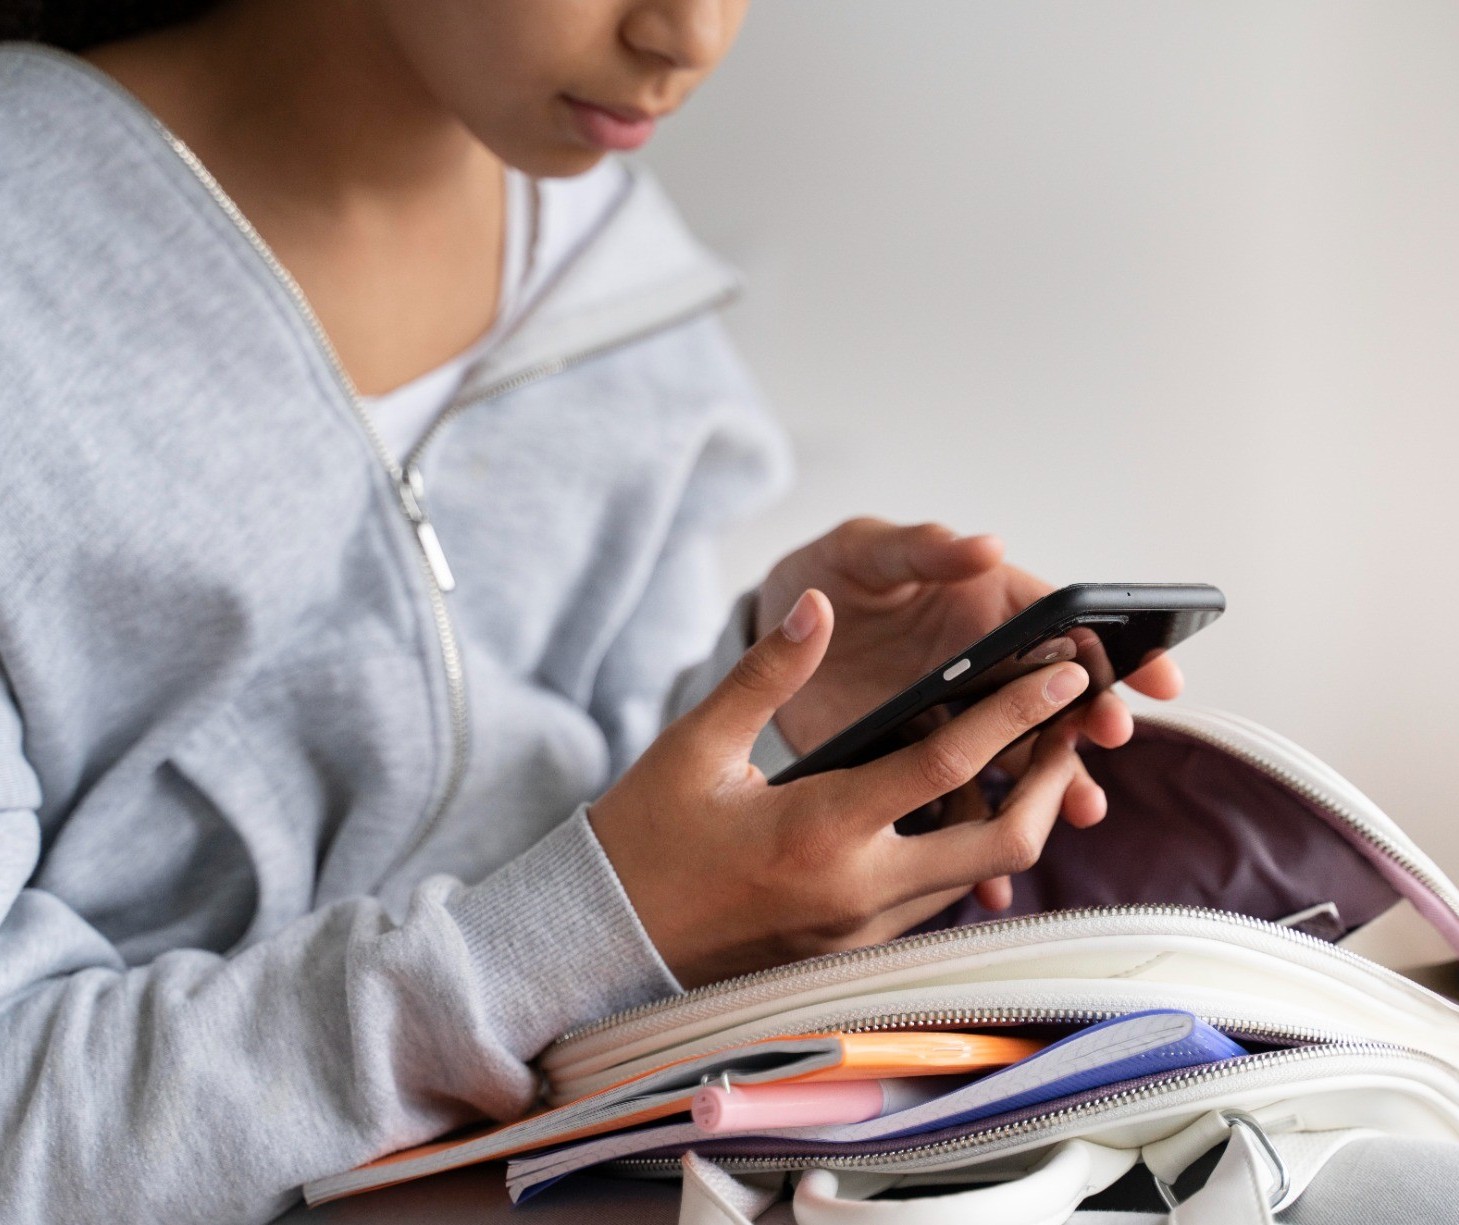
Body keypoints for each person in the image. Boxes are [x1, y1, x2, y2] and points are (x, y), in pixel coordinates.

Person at [0, 2, 1181, 1221]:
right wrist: (593, 926)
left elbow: (552, 836)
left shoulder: (619, 285)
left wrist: (771, 735)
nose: (692, 38)